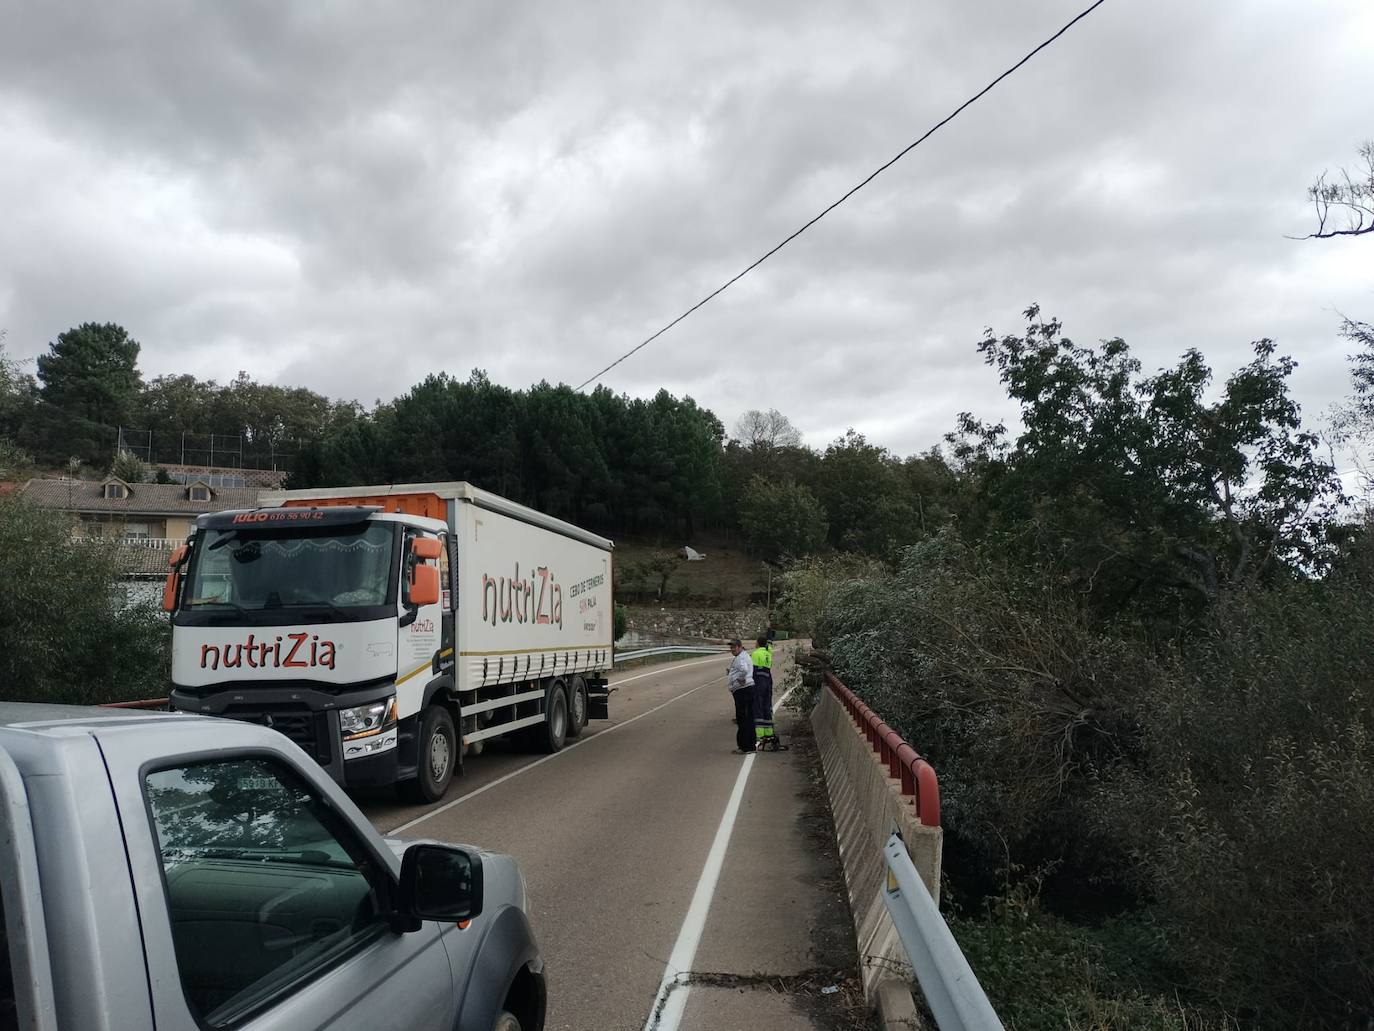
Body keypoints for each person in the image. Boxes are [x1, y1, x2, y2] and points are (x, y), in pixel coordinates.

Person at [726, 639, 755, 754]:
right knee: (746, 717)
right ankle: (748, 746)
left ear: (740, 647)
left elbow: (744, 670)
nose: (732, 650)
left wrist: (740, 679)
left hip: (743, 690)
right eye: (731, 648)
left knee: (743, 718)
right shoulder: (742, 656)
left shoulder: (741, 657)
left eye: (734, 647)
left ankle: (745, 747)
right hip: (744, 689)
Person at [751, 634, 776, 748]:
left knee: (758, 706)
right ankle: (769, 732)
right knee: (767, 705)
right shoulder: (768, 653)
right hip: (768, 679)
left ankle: (759, 734)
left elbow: (752, 669)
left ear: (758, 643)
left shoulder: (756, 654)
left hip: (759, 681)